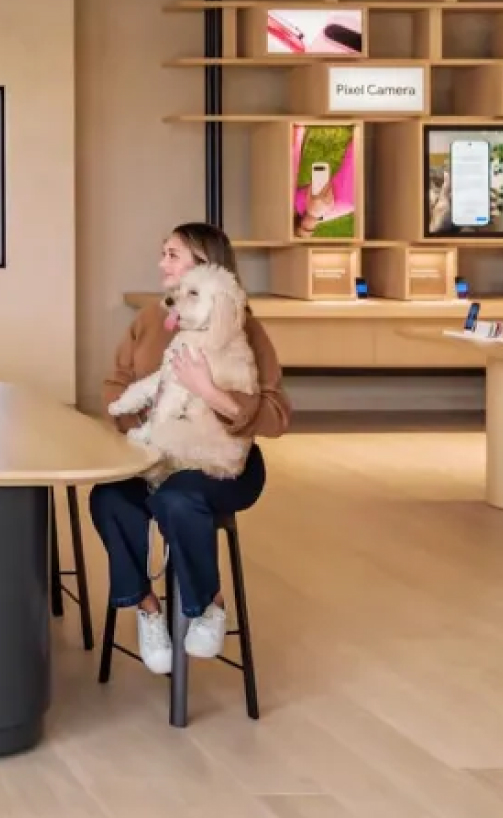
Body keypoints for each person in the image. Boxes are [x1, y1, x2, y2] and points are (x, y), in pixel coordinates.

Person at [91, 222, 290, 676]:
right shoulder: (148, 320)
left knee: (177, 498)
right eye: (163, 253)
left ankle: (208, 604)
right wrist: (148, 428)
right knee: (109, 497)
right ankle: (147, 609)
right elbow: (116, 387)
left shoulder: (244, 327)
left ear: (206, 264)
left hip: (221, 463)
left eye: (173, 255)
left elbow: (277, 415)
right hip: (154, 454)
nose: (162, 264)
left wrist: (212, 393)